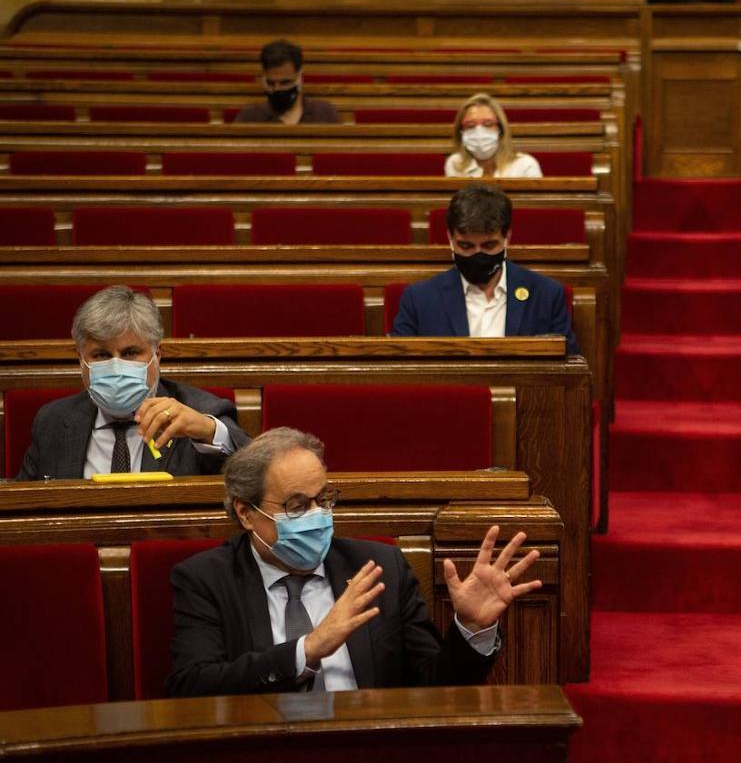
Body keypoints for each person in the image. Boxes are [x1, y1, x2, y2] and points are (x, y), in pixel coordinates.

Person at [166, 427, 541, 696]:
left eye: (323, 499)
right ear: (246, 513)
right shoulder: (206, 579)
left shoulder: (380, 568)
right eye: (297, 506)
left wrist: (471, 629)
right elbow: (193, 686)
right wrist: (307, 650)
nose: (317, 516)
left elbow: (433, 687)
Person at [18, 286, 250, 481]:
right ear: (81, 359)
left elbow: (255, 474)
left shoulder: (198, 411)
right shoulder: (53, 422)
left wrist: (207, 431)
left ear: (157, 355)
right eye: (101, 355)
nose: (116, 367)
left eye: (130, 353)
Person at [390, 184, 579, 355]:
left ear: (507, 237)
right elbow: (400, 371)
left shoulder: (546, 295)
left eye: (488, 246)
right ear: (450, 238)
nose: (477, 255)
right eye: (466, 246)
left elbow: (568, 369)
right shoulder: (419, 299)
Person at [233, 39, 340, 125]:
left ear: (299, 76)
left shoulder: (325, 113)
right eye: (271, 83)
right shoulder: (250, 117)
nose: (277, 89)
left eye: (285, 83)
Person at [444, 94, 543, 178]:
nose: (479, 132)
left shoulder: (525, 165)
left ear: (501, 129)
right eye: (470, 125)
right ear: (461, 131)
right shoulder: (455, 163)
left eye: (488, 124)